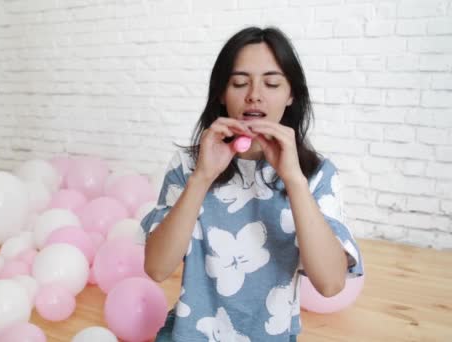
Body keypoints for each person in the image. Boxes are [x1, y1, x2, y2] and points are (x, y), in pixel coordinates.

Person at [140, 26, 364, 342]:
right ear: (221, 92)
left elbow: (330, 284)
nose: (254, 94)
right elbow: (157, 269)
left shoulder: (317, 174)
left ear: (291, 95)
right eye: (239, 82)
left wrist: (294, 180)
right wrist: (202, 176)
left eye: (271, 83)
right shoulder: (189, 165)